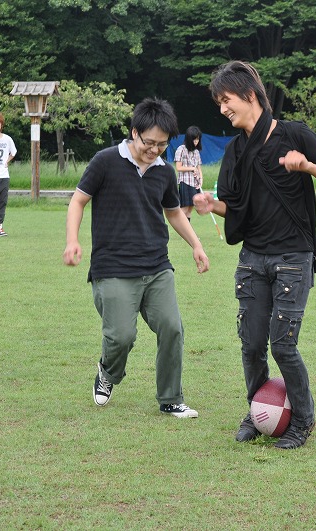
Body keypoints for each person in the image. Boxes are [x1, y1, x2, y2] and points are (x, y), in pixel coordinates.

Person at [193, 61, 316, 449]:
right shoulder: (236, 150)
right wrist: (213, 205)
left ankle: (303, 421)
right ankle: (257, 410)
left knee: (283, 345)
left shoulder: (294, 134)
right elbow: (235, 206)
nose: (223, 109)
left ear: (249, 95)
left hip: (293, 258)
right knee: (251, 344)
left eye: (226, 100)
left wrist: (306, 165)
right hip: (252, 259)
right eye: (219, 104)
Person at [63, 97, 210, 419]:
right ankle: (108, 372)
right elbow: (77, 201)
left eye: (162, 144)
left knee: (172, 328)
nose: (154, 149)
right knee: (121, 337)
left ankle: (171, 398)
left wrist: (196, 245)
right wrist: (72, 241)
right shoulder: (105, 162)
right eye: (149, 142)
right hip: (113, 267)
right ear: (134, 133)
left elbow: (173, 213)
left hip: (156, 266)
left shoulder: (164, 172)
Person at [174, 126, 203, 222]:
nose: (196, 142)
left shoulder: (196, 152)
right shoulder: (181, 149)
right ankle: (182, 229)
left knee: (190, 209)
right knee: (184, 209)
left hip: (195, 183)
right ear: (189, 139)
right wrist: (192, 168)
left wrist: (201, 180)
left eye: (198, 139)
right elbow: (178, 168)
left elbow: (199, 168)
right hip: (185, 182)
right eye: (194, 139)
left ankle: (188, 233)